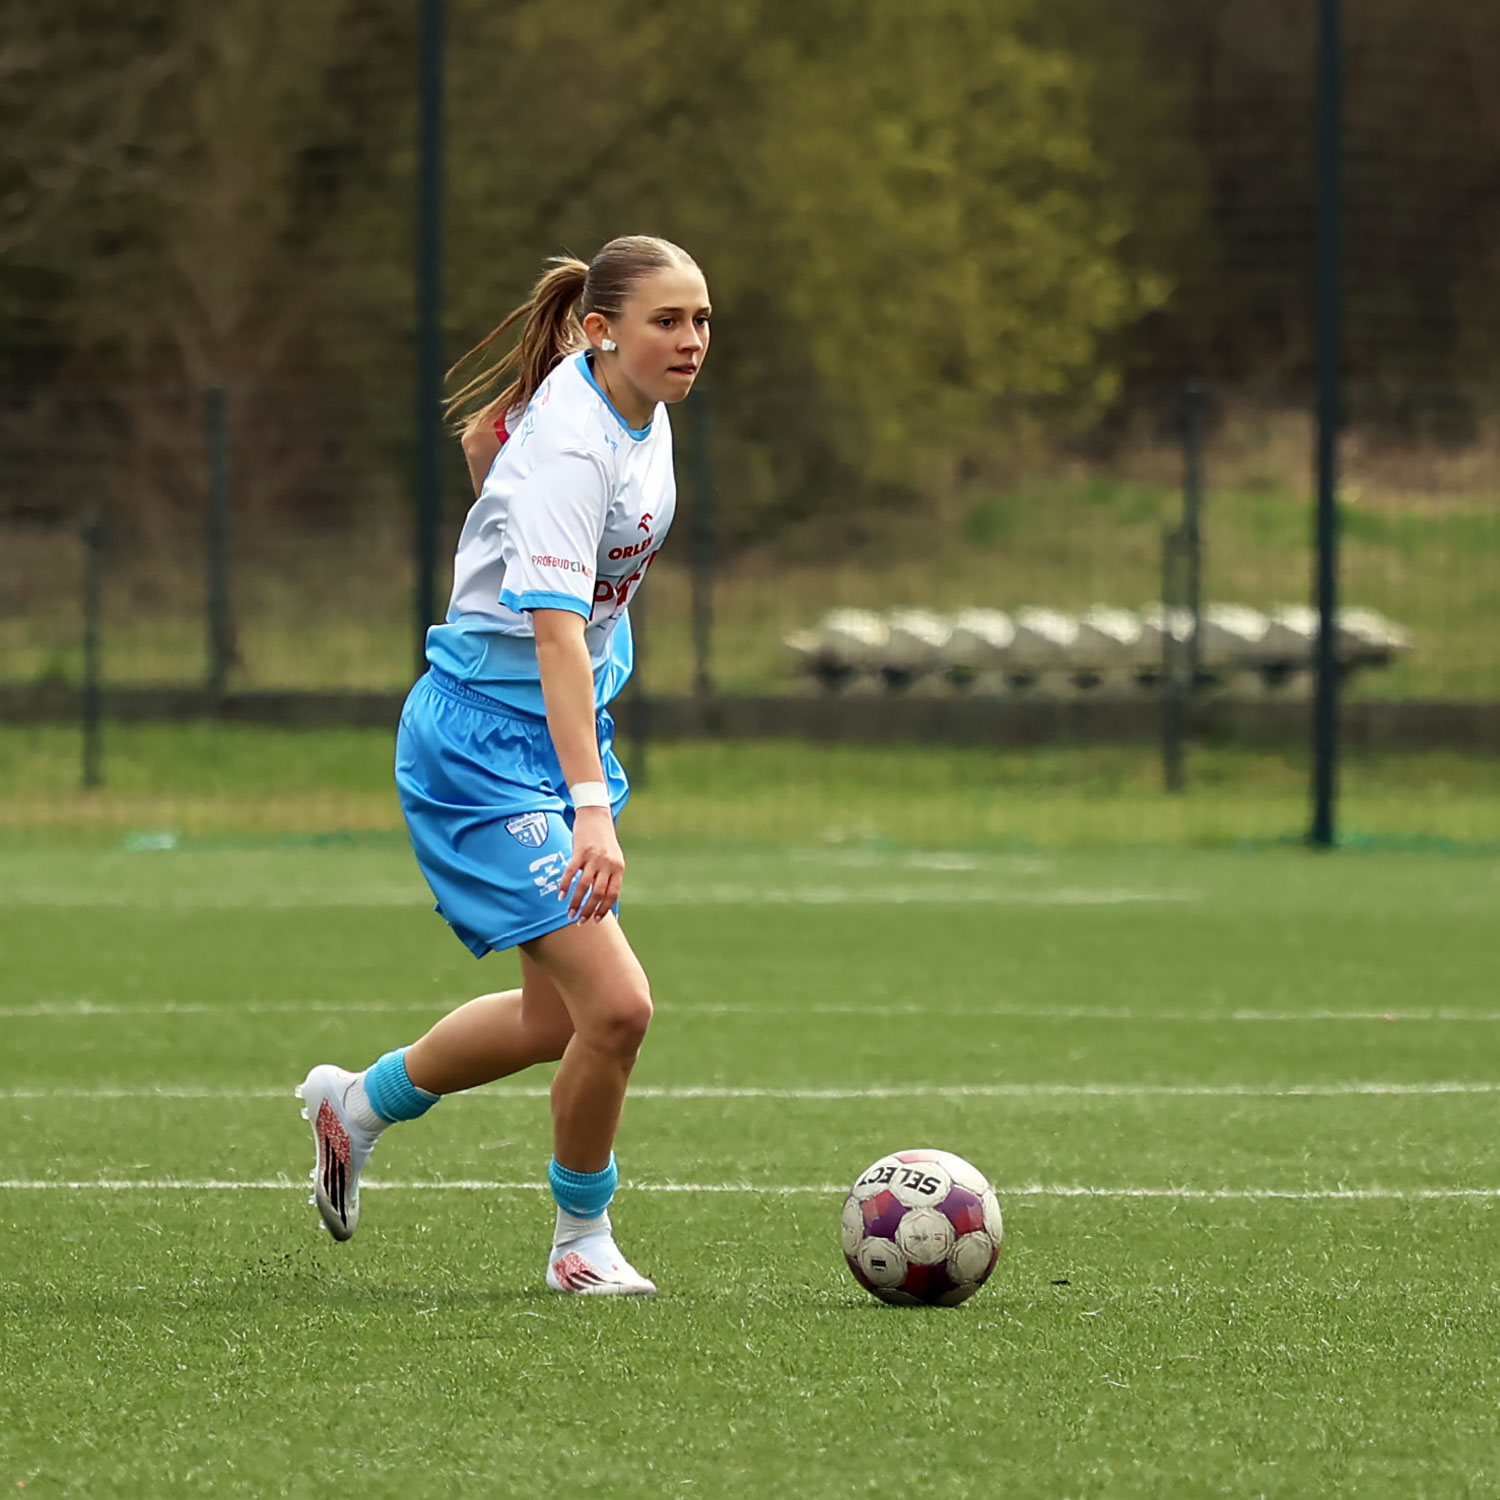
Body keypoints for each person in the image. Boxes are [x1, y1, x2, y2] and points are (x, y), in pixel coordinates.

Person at [295, 235, 711, 1296]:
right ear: (601, 331)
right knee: (617, 1008)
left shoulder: (631, 401)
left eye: (702, 320)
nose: (691, 341)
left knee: (552, 1020)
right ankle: (581, 1242)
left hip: (548, 732)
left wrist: (500, 506)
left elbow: (487, 439)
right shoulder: (575, 443)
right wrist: (591, 811)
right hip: (481, 748)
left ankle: (357, 1105)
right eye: (668, 321)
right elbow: (557, 637)